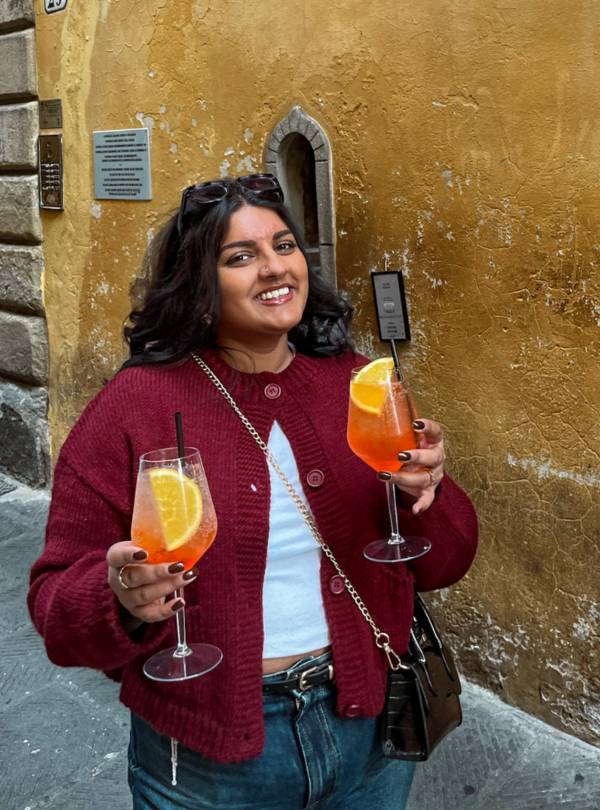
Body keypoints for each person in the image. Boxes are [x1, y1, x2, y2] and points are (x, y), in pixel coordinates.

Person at [27, 174, 479, 809]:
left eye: (284, 246)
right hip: (213, 761)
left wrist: (423, 492)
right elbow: (53, 610)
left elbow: (445, 562)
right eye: (241, 257)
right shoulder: (134, 405)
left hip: (368, 732)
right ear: (199, 286)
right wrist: (120, 597)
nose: (274, 269)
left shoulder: (356, 383)